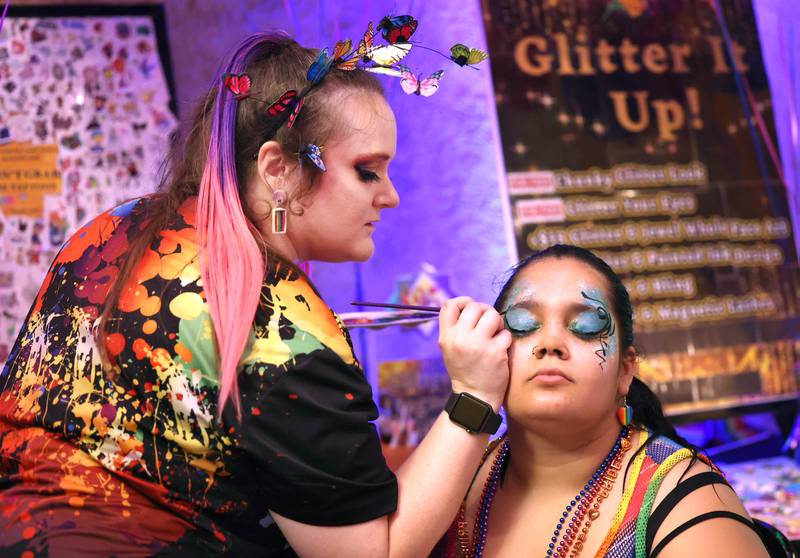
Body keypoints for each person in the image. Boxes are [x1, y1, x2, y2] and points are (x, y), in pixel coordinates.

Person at [0, 30, 511, 557]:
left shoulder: (112, 229)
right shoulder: (284, 331)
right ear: (280, 170)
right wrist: (474, 397)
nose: (391, 196)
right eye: (366, 171)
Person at [434, 244, 775, 558]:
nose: (551, 342)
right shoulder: (454, 479)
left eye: (584, 325)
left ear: (624, 372)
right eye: (523, 323)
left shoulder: (690, 508)